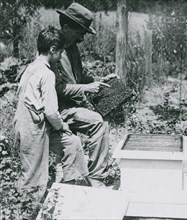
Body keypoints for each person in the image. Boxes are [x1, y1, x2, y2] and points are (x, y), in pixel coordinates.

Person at [14, 26, 90, 219]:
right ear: (53, 49)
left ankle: (68, 196)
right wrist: (61, 125)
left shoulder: (31, 67)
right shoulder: (46, 74)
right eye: (61, 51)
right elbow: (50, 111)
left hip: (37, 125)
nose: (62, 55)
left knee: (72, 144)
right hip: (33, 128)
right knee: (35, 178)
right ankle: (25, 213)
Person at [51, 3, 118, 187]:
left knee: (101, 121)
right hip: (55, 110)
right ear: (65, 28)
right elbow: (57, 88)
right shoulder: (53, 49)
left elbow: (79, 77)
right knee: (98, 122)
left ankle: (94, 175)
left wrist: (100, 80)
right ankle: (96, 178)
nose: (82, 38)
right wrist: (86, 89)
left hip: (69, 106)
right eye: (79, 32)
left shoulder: (72, 48)